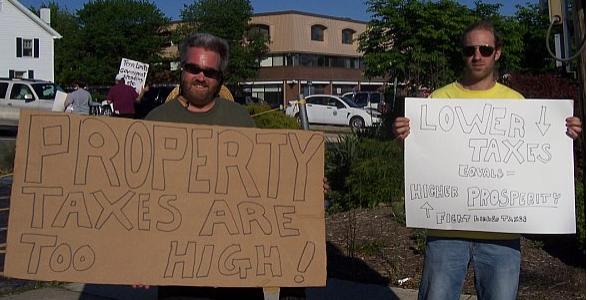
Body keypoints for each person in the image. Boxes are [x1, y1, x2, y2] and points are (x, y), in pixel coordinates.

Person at [393, 20, 582, 300]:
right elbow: (422, 160)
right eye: (470, 49)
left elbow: (537, 158)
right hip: (447, 230)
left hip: (502, 235)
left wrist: (565, 132)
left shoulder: (517, 103)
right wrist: (405, 136)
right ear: (462, 53)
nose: (477, 55)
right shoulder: (437, 100)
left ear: (497, 53)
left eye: (484, 48)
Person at [140, 32, 308, 300]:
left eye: (210, 71)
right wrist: (139, 257)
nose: (201, 76)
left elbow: (265, 181)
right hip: (179, 274)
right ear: (182, 69)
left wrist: (305, 184)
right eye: (193, 68)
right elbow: (137, 195)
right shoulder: (156, 120)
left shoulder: (240, 119)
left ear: (220, 78)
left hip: (238, 272)